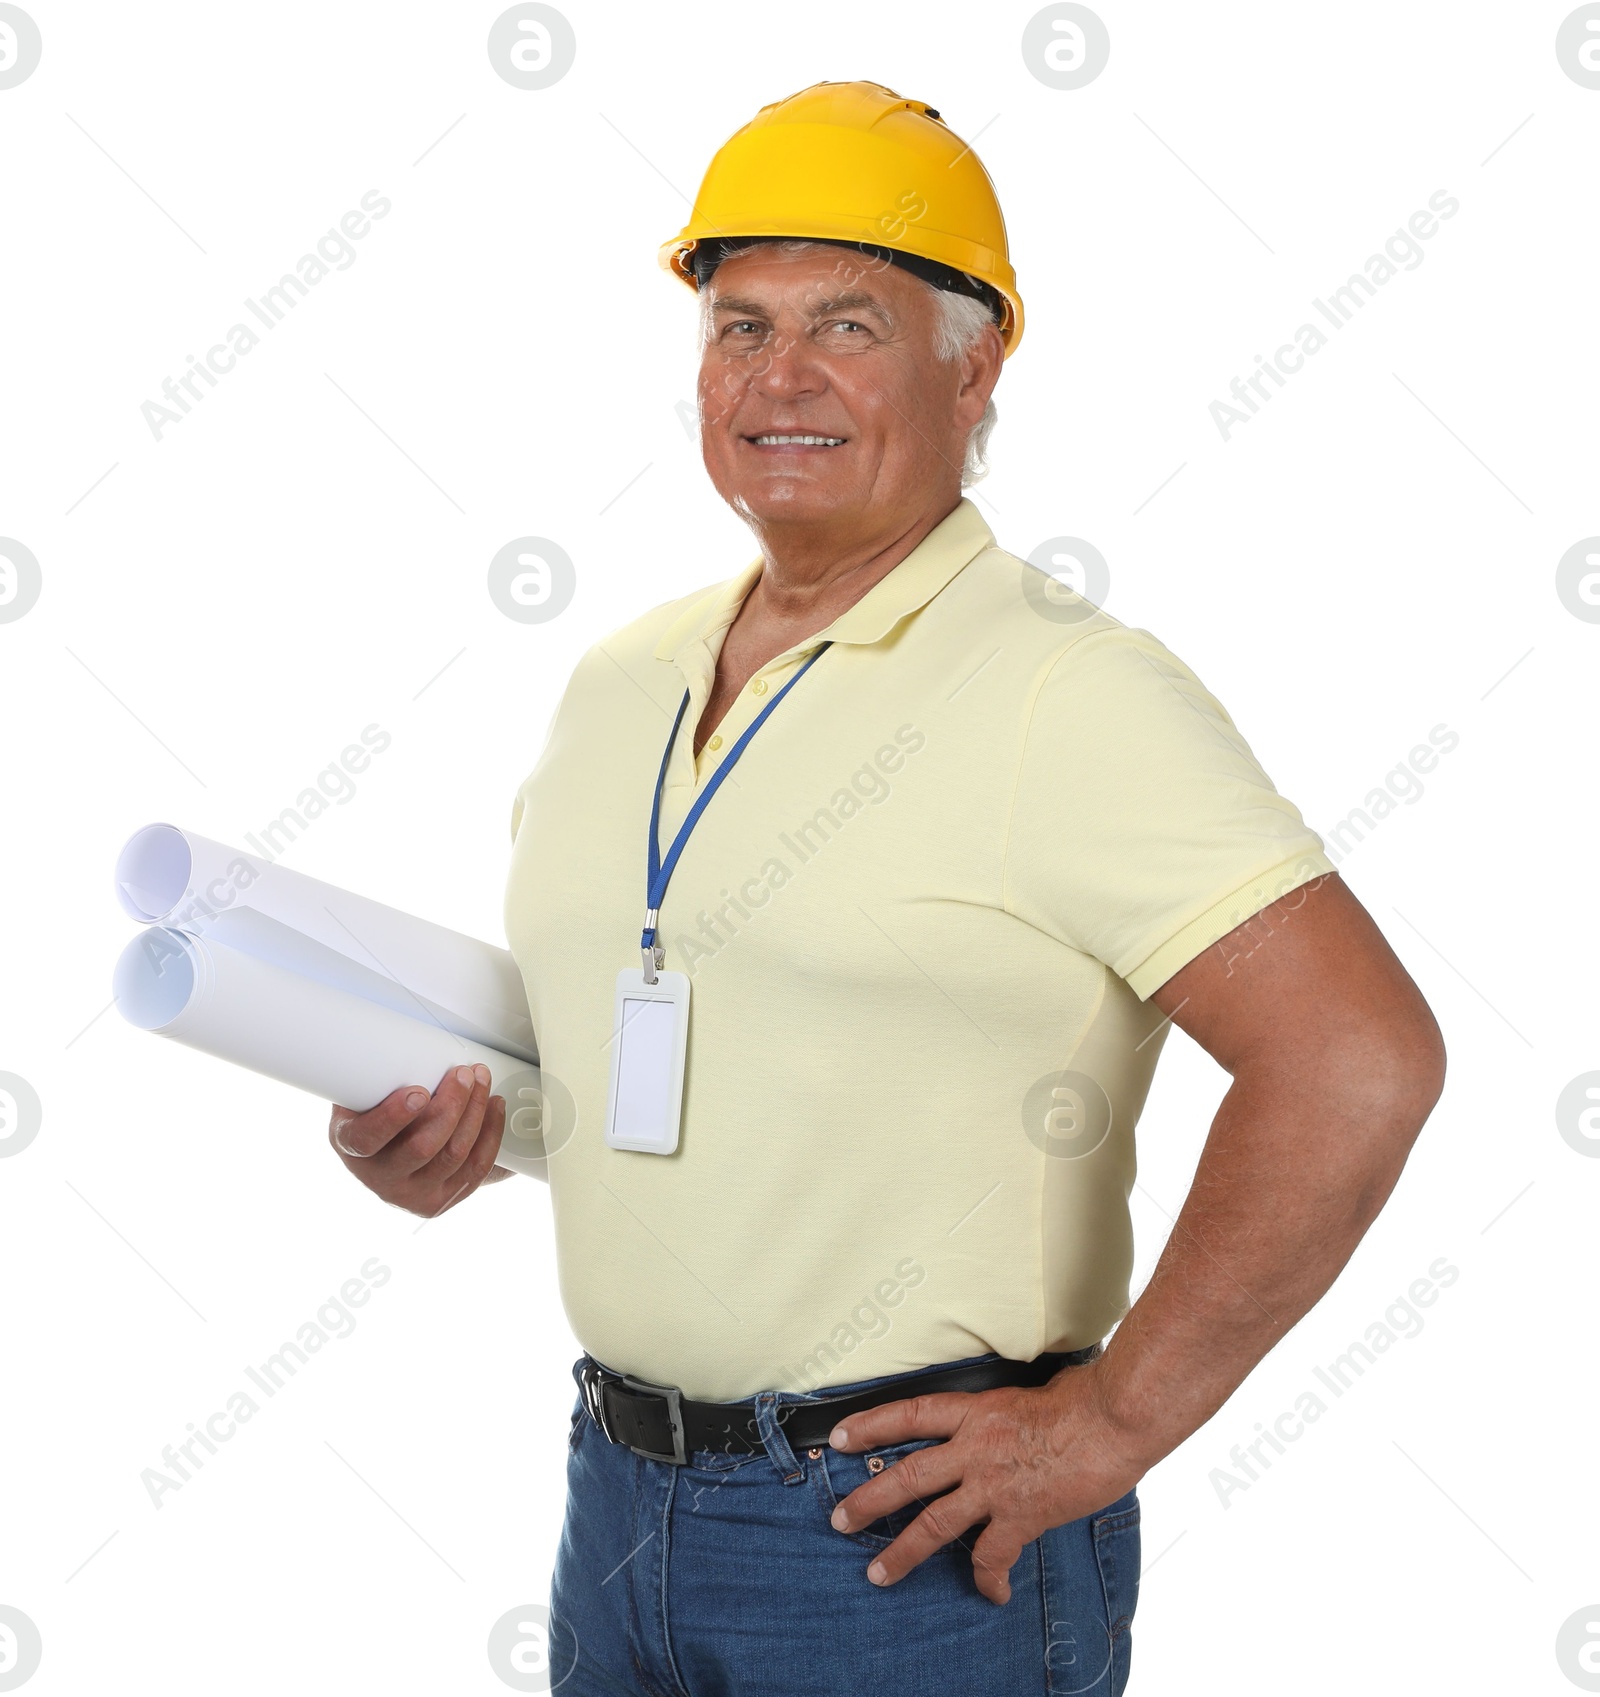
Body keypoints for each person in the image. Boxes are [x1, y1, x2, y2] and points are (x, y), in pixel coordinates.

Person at [326, 80, 1446, 1696]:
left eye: (847, 323)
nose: (778, 378)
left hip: (906, 1541)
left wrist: (1112, 1423)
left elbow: (1357, 1058)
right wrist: (474, 1129)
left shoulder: (1068, 692)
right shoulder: (620, 681)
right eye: (738, 325)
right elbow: (681, 1070)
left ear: (972, 358)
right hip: (615, 1502)